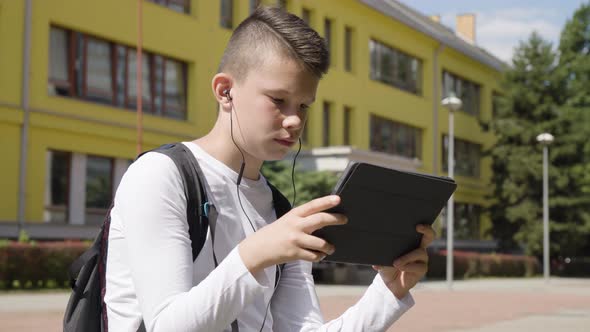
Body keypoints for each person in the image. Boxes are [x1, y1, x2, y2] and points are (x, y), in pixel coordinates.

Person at [105, 6, 434, 331]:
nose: (294, 120)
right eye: (278, 100)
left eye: (304, 105)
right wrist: (255, 254)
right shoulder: (159, 176)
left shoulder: (279, 212)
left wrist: (389, 290)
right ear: (225, 91)